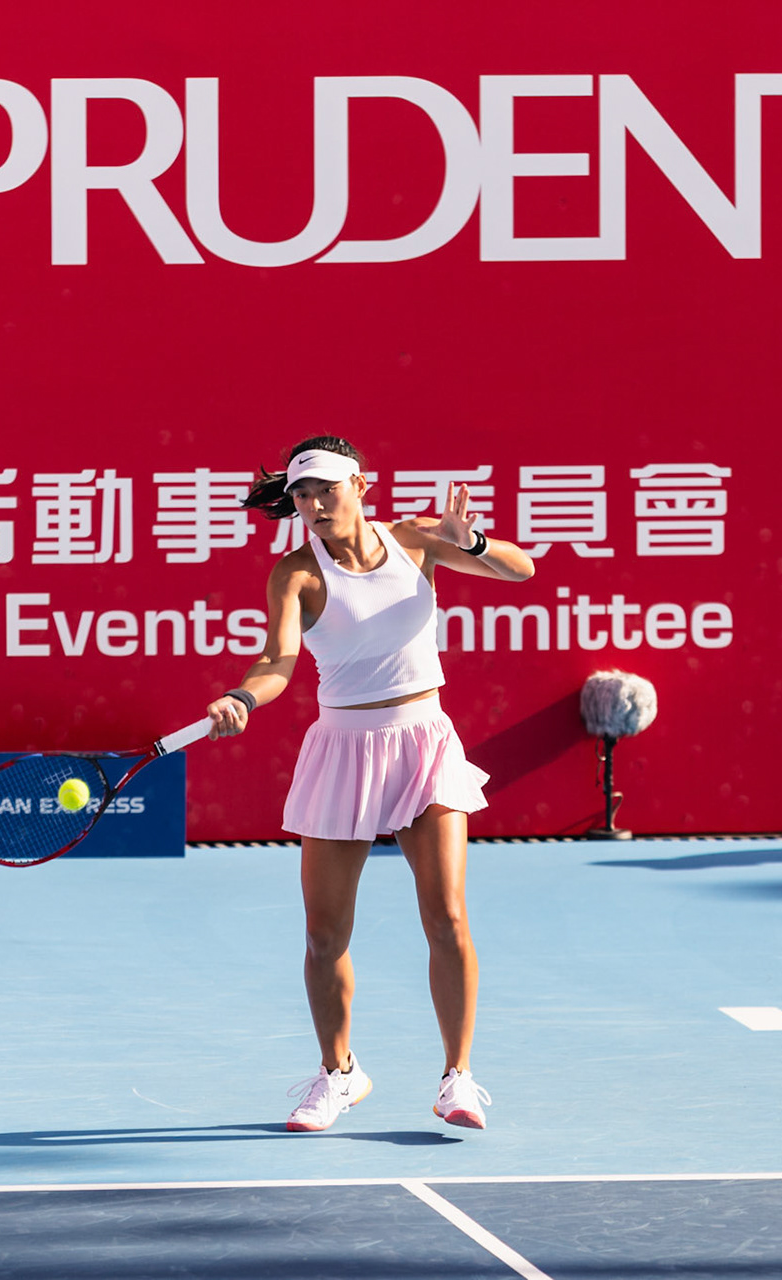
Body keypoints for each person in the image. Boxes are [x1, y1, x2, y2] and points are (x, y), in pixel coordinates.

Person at [204, 436, 535, 1131]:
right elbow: (277, 659)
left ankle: (458, 1079)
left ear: (362, 485)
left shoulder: (417, 539)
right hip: (343, 749)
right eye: (302, 494)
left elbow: (520, 570)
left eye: (327, 488)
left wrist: (468, 540)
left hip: (424, 741)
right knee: (325, 935)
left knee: (445, 916)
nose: (315, 504)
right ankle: (339, 1074)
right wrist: (244, 696)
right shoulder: (295, 573)